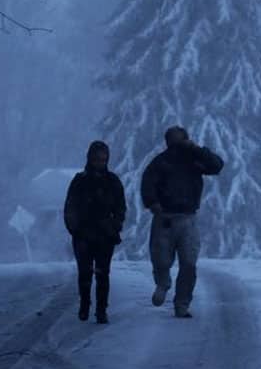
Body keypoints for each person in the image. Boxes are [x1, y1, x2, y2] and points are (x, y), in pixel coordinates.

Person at [141, 126, 224, 318]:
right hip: (164, 218)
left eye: (180, 141)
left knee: (188, 264)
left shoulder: (194, 160)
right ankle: (163, 283)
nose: (176, 145)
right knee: (161, 260)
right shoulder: (160, 162)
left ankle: (182, 304)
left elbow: (217, 165)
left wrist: (196, 148)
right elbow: (148, 183)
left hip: (188, 218)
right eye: (173, 141)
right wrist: (153, 203)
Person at [63, 141, 126, 324]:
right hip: (83, 234)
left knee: (102, 273)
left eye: (103, 159)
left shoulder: (112, 181)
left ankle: (101, 309)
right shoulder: (80, 181)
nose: (100, 162)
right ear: (90, 159)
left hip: (105, 235)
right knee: (85, 272)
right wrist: (74, 229)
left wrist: (114, 225)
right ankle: (85, 304)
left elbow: (120, 207)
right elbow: (70, 207)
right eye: (97, 159)